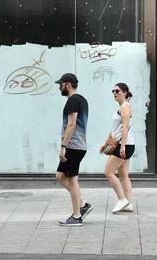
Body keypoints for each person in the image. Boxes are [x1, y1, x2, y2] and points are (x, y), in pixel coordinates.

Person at [54, 72, 91, 226]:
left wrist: (64, 146)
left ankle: (77, 217)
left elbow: (71, 124)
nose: (59, 88)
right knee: (60, 175)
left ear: (68, 85)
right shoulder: (82, 100)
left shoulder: (72, 101)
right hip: (78, 146)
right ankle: (82, 204)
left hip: (73, 146)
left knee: (72, 179)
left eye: (60, 85)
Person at [102, 82, 135, 213]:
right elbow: (115, 129)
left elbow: (125, 127)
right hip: (125, 144)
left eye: (118, 91)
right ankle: (128, 203)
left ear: (125, 93)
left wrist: (122, 147)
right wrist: (106, 144)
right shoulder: (121, 107)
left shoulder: (125, 107)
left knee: (108, 172)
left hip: (125, 145)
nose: (115, 93)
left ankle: (122, 200)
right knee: (124, 175)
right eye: (113, 91)